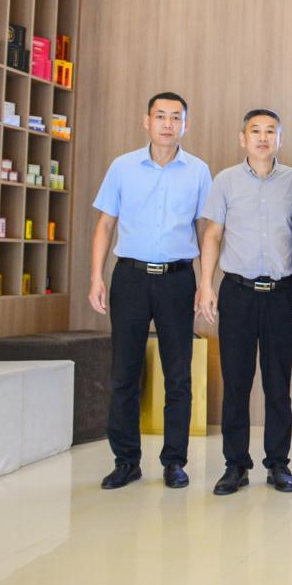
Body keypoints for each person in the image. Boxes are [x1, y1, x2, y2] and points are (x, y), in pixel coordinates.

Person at [88, 92, 213, 490]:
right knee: (124, 372)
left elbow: (205, 231)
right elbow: (105, 225)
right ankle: (126, 461)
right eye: (160, 116)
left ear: (185, 125)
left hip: (178, 280)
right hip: (130, 278)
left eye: (176, 117)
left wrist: (205, 283)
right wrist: (96, 277)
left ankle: (174, 462)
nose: (167, 124)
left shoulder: (198, 171)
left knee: (178, 374)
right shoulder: (123, 167)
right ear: (147, 121)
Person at [196, 109, 292, 496]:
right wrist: (205, 285)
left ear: (280, 138)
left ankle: (278, 464)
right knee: (237, 382)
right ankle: (235, 465)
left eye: (270, 131)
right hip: (237, 293)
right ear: (242, 138)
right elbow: (212, 235)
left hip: (282, 294)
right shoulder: (225, 181)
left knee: (278, 384)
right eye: (255, 131)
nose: (262, 137)